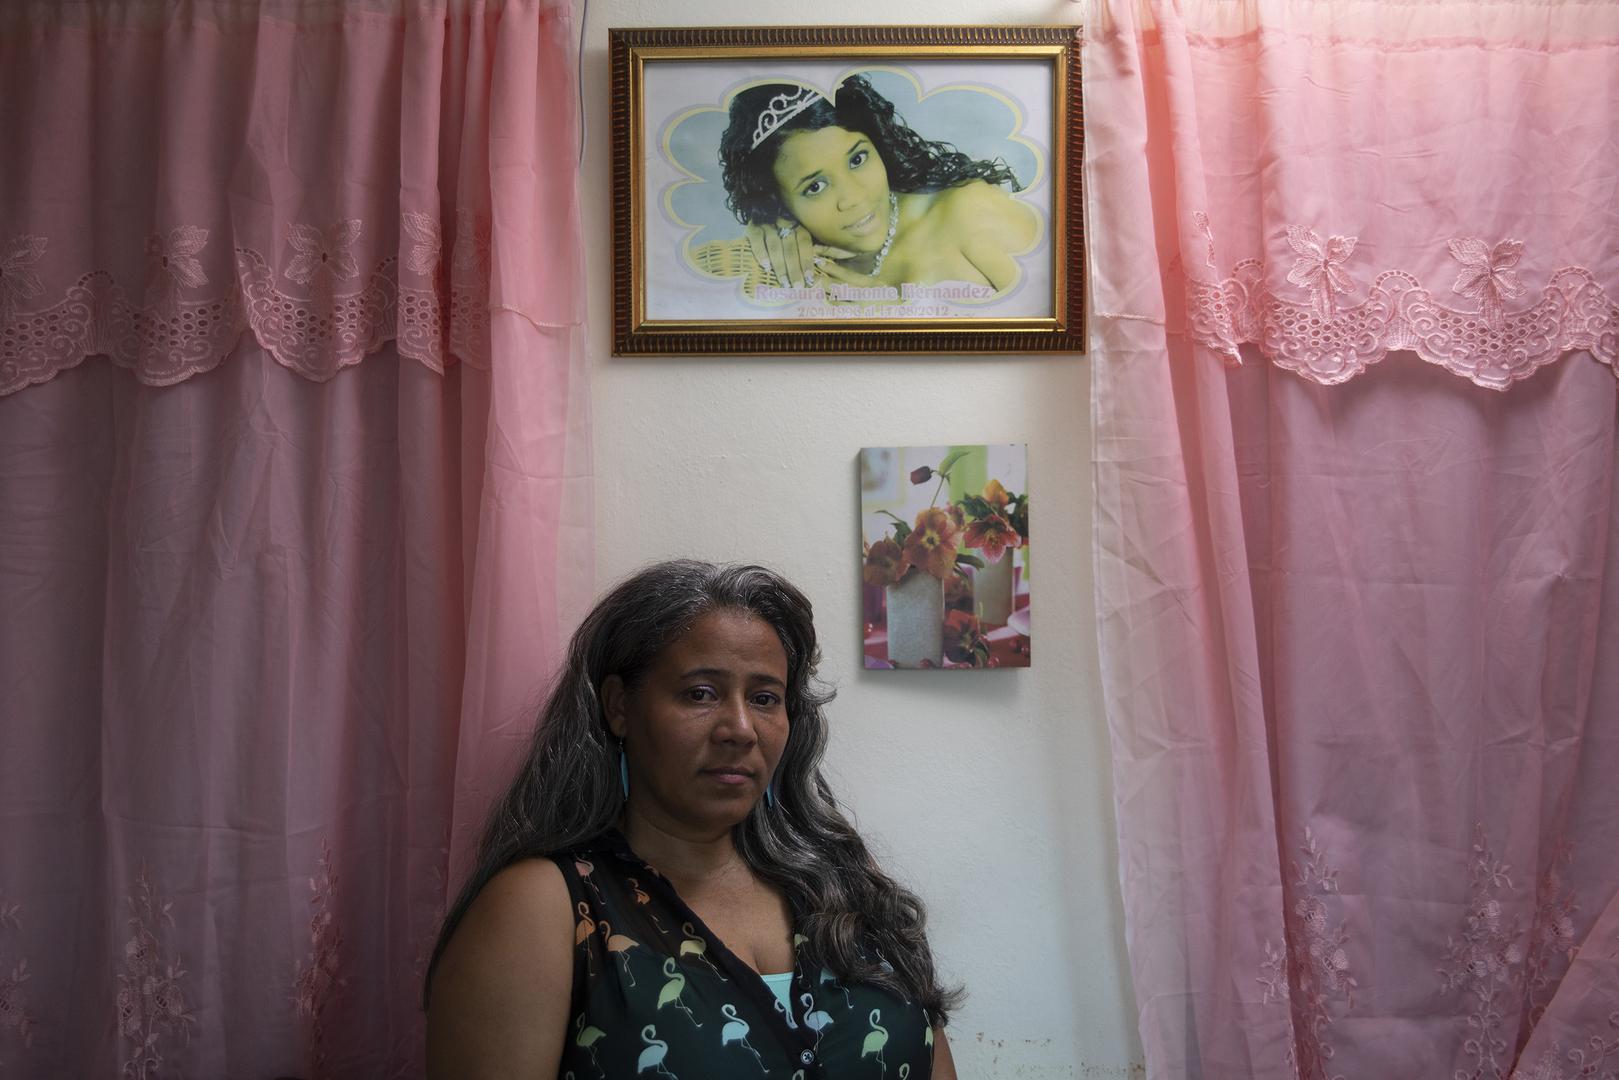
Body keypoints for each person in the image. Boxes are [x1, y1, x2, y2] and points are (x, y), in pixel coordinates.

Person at [425, 560, 960, 1078]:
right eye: (700, 693)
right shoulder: (548, 905)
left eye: (766, 698)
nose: (740, 728)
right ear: (619, 707)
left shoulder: (843, 881)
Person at [693, 74, 1039, 301]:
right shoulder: (799, 266)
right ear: (780, 201)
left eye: (857, 159)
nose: (853, 198)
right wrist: (766, 226)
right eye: (815, 186)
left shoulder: (969, 210)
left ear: (879, 146)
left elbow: (1062, 333)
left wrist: (902, 310)